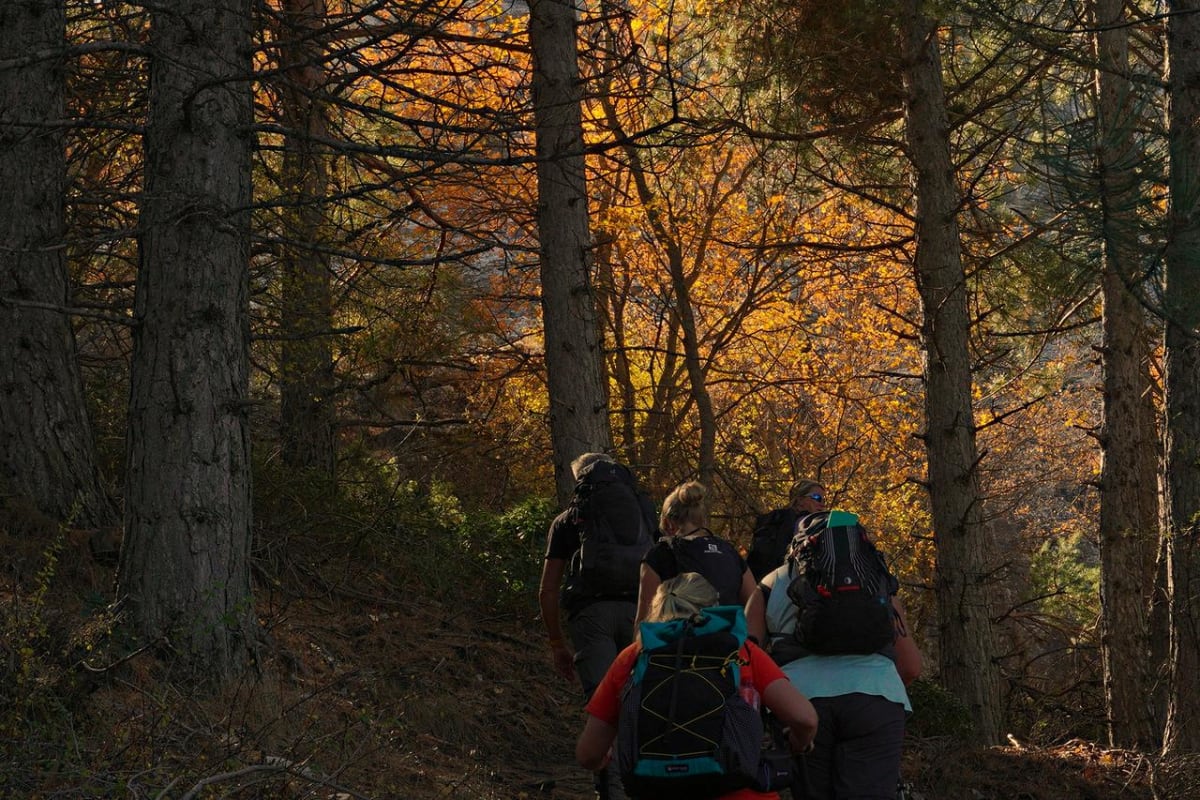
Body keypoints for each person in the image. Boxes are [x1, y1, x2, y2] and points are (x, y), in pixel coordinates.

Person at [576, 572, 819, 800]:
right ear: (713, 606)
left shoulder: (635, 657)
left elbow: (588, 753)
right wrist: (798, 742)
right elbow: (805, 718)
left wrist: (603, 760)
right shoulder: (741, 652)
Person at [745, 516, 922, 800]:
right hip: (877, 700)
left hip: (801, 703)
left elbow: (746, 660)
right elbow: (911, 666)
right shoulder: (877, 581)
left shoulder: (771, 582)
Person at [539, 452, 656, 799]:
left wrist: (557, 642)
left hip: (592, 618)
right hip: (643, 615)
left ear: (580, 481)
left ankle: (612, 793)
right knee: (642, 703)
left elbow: (547, 590)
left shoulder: (570, 519)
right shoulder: (645, 514)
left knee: (606, 710)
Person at [634, 480, 755, 630]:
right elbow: (753, 604)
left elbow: (644, 621)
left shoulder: (659, 555)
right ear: (702, 519)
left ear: (668, 523)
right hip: (727, 646)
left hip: (676, 646)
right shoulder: (730, 553)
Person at [746, 479, 830, 581]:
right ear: (799, 500)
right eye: (817, 498)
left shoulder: (772, 519)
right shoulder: (803, 524)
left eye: (824, 500)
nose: (822, 504)